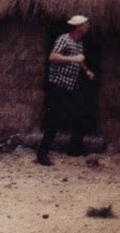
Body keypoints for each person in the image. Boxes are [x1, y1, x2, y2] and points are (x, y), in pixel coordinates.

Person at [37, 15, 96, 166]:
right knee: (54, 119)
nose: (88, 27)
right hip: (58, 85)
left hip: (71, 85)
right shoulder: (64, 39)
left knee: (81, 113)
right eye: (86, 25)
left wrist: (86, 70)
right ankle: (42, 154)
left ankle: (74, 148)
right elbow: (53, 57)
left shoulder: (79, 42)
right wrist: (73, 59)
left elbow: (79, 60)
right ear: (79, 27)